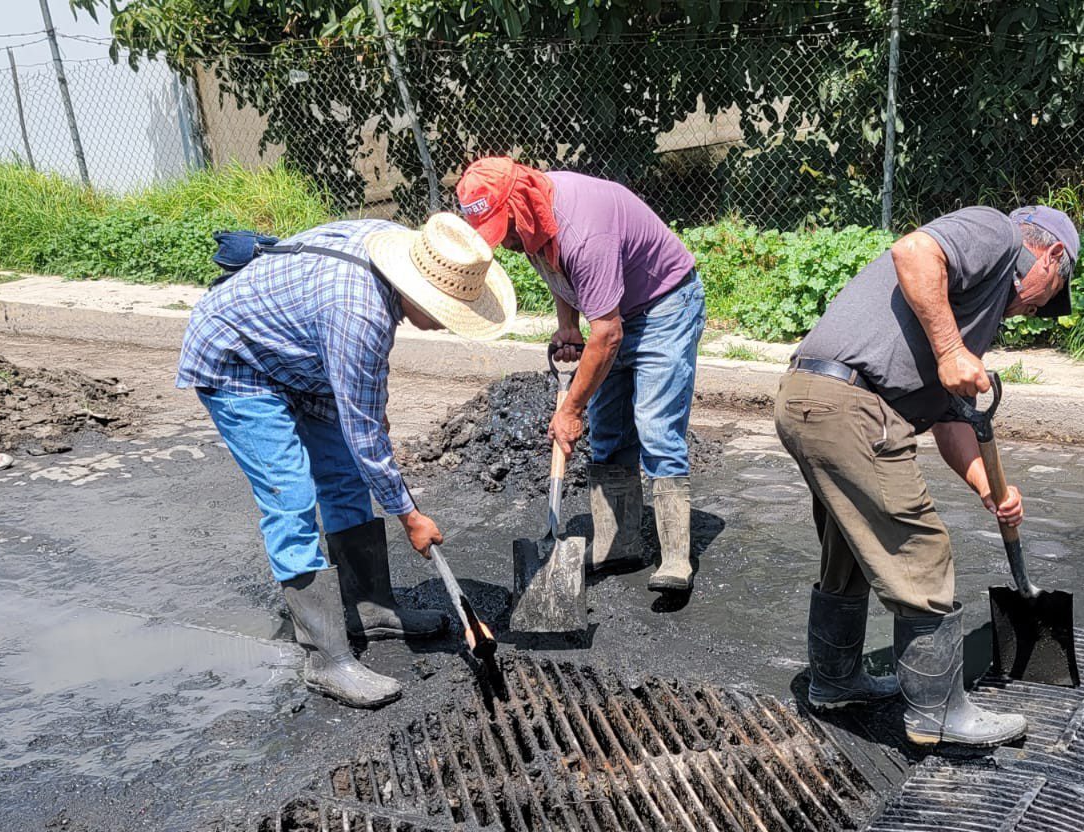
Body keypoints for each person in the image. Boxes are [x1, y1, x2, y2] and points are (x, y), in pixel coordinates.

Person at [177, 214, 516, 708]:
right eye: (446, 311)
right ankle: (327, 659)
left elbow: (359, 437)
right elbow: (366, 432)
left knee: (344, 477)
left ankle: (370, 607)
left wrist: (397, 496)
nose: (446, 322)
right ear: (417, 290)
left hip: (303, 355)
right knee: (290, 495)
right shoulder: (360, 315)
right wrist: (410, 515)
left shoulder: (396, 244)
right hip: (239, 360)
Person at [775, 205, 1079, 749]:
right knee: (922, 549)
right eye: (1049, 293)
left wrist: (993, 490)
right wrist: (950, 349)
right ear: (1050, 255)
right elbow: (912, 249)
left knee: (849, 547)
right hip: (851, 404)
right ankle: (938, 712)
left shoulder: (973, 305)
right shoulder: (997, 232)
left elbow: (946, 420)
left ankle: (835, 678)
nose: (1036, 311)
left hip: (811, 399)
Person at [454, 157, 705, 592]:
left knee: (655, 427)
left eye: (506, 227)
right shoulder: (533, 221)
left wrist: (570, 409)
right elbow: (560, 273)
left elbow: (607, 334)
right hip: (614, 311)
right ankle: (618, 545)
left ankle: (676, 559)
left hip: (665, 306)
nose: (506, 241)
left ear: (521, 204)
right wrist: (568, 324)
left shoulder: (583, 231)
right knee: (609, 434)